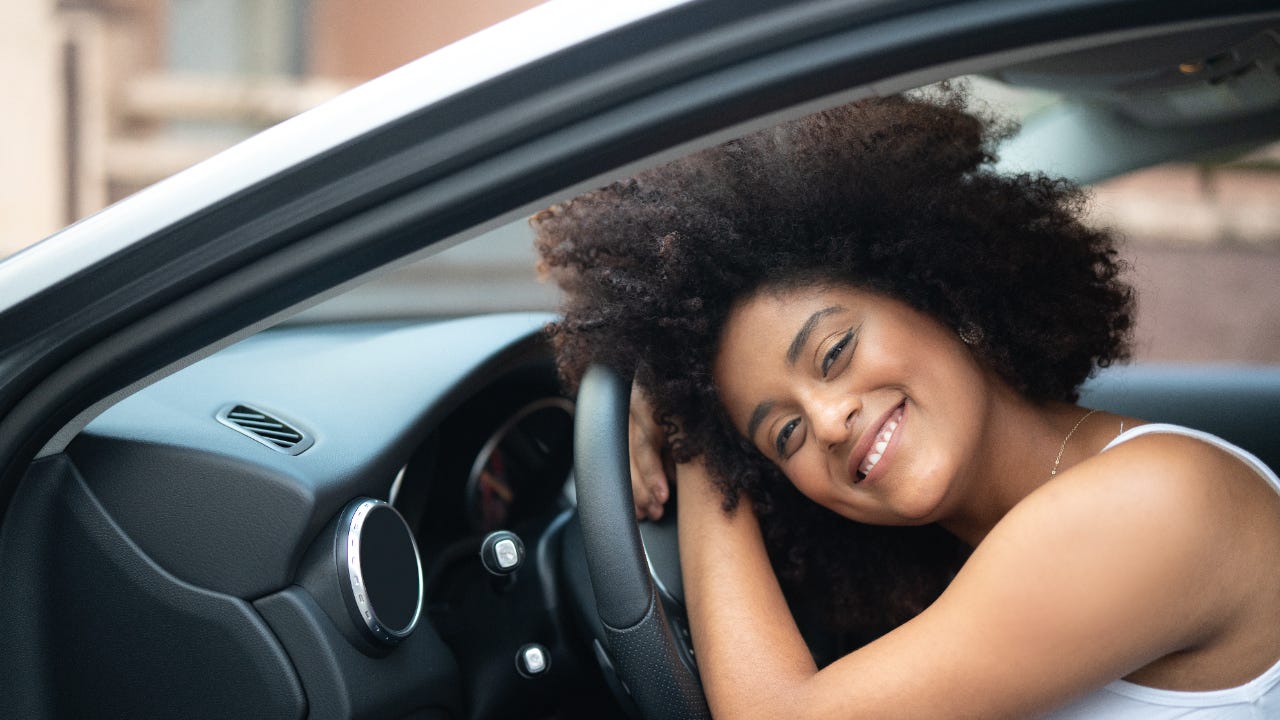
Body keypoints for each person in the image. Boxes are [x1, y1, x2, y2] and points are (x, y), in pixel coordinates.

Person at [532, 87, 1280, 719]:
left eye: (833, 353)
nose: (826, 423)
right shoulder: (997, 553)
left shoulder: (1149, 504)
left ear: (940, 294)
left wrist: (691, 430)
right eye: (782, 434)